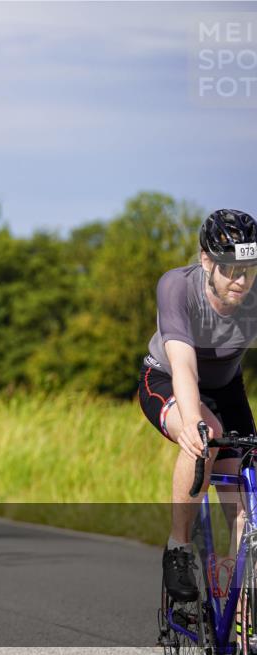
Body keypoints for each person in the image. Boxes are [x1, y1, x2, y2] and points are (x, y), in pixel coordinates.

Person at [138, 209, 257, 609]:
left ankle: (244, 596)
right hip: (168, 380)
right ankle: (179, 548)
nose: (242, 281)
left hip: (226, 388)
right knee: (204, 443)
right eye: (231, 269)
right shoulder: (177, 288)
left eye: (250, 269)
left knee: (247, 488)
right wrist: (192, 422)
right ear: (207, 260)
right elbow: (184, 365)